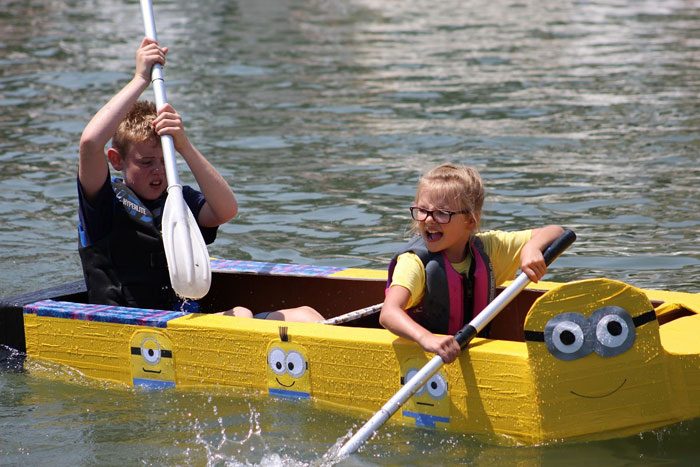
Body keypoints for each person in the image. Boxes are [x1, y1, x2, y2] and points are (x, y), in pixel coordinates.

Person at [77, 37, 323, 322]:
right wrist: (141, 78)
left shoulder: (178, 201)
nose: (158, 170)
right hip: (127, 327)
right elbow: (89, 143)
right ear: (117, 160)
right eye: (146, 162)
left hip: (183, 325)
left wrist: (184, 146)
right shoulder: (102, 204)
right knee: (241, 315)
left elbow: (226, 210)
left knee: (307, 315)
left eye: (164, 160)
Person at [380, 163, 564, 364]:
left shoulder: (489, 248)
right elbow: (389, 313)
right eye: (422, 210)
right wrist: (427, 338)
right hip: (427, 359)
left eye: (442, 213)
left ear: (470, 221)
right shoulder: (413, 263)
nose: (428, 220)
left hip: (475, 354)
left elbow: (556, 232)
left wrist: (531, 248)